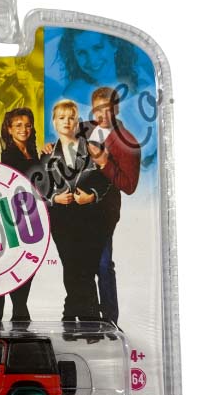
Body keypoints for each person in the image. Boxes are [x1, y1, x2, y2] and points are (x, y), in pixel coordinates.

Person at [41, 100, 110, 331]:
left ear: (77, 122)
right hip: (62, 221)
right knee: (71, 267)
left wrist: (91, 196)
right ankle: (86, 320)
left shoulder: (91, 149)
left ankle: (73, 317)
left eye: (71, 118)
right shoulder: (47, 154)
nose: (66, 122)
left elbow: (105, 180)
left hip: (90, 219)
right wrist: (54, 198)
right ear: (54, 122)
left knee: (87, 269)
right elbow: (38, 190)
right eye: (61, 118)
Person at [79, 87, 141, 325]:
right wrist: (50, 147)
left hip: (103, 213)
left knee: (103, 265)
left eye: (107, 109)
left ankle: (109, 322)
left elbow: (129, 185)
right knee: (82, 266)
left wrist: (105, 162)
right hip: (77, 209)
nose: (102, 115)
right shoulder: (85, 128)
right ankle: (88, 319)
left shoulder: (128, 142)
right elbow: (65, 149)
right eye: (97, 109)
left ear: (116, 109)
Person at [0, 107, 41, 328]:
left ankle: (20, 308)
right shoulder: (8, 154)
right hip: (15, 214)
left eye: (27, 125)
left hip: (32, 213)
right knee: (17, 261)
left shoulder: (32, 151)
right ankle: (19, 309)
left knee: (28, 262)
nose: (24, 129)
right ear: (9, 129)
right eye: (18, 125)